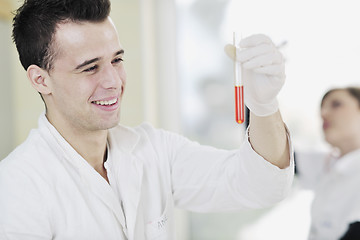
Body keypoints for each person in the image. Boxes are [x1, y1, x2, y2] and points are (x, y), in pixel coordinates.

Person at [0, 0, 294, 239]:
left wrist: (263, 105)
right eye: (90, 68)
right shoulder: (17, 187)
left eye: (116, 60)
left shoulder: (154, 150)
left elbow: (262, 186)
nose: (113, 81)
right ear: (40, 79)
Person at [296, 87, 360, 240]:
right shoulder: (327, 163)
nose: (323, 113)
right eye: (322, 108)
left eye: (336, 104)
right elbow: (267, 152)